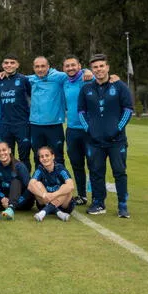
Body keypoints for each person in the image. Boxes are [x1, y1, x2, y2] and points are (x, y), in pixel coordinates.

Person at [78, 54, 133, 218]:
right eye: (95, 67)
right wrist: (89, 130)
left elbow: (128, 109)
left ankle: (122, 205)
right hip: (94, 141)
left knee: (119, 172)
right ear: (92, 70)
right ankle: (98, 203)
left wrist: (117, 129)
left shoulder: (120, 86)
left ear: (107, 67)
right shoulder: (86, 88)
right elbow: (81, 112)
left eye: (101, 66)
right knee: (95, 172)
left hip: (117, 141)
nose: (98, 69)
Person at [62, 55, 91, 205]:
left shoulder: (88, 78)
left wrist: (89, 70)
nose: (70, 68)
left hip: (89, 130)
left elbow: (105, 76)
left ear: (79, 66)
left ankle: (98, 198)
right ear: (63, 68)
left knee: (94, 164)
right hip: (72, 129)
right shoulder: (64, 82)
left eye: (73, 65)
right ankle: (82, 195)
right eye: (67, 66)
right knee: (77, 164)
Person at [0, 54, 32, 171]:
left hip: (22, 124)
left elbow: (32, 97)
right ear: (2, 65)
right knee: (6, 156)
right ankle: (11, 181)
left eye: (12, 62)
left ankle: (26, 184)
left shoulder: (23, 80)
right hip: (5, 124)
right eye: (6, 63)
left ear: (17, 65)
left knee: (24, 156)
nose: (9, 65)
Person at [0, 142, 33, 221]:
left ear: (10, 150)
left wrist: (14, 203)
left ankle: (11, 208)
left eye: (4, 150)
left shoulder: (20, 166)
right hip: (4, 201)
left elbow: (29, 188)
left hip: (21, 202)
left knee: (16, 181)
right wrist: (2, 198)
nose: (2, 153)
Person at [27, 146, 75, 222]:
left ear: (53, 156)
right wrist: (44, 195)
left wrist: (54, 194)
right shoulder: (40, 169)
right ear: (39, 159)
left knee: (66, 187)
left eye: (47, 155)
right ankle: (58, 213)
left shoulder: (60, 168)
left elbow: (71, 186)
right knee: (37, 184)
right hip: (44, 202)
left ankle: (44, 212)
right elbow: (30, 185)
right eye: (42, 156)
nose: (45, 158)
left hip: (63, 205)